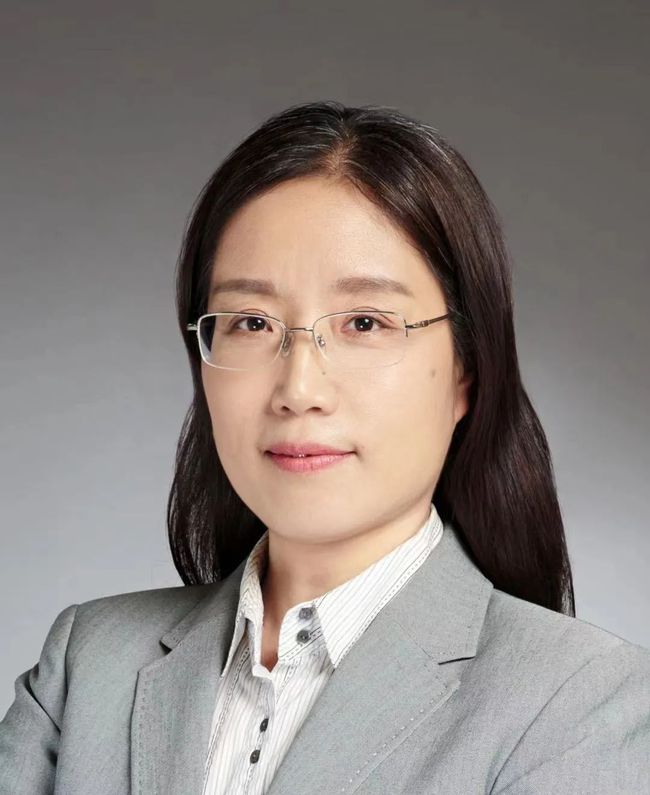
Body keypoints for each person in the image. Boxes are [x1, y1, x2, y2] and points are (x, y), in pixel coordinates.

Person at [1, 100, 648, 795]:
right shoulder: (87, 665)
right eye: (251, 322)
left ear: (467, 371)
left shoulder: (584, 703)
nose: (299, 389)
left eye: (365, 322)